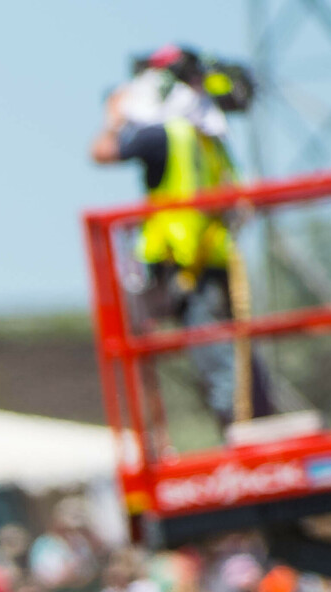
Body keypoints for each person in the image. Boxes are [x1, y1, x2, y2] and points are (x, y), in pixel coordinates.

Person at [90, 45, 272, 429]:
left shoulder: (166, 135)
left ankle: (239, 437)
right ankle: (251, 424)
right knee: (230, 356)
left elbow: (102, 151)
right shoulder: (207, 134)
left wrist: (115, 116)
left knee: (213, 359)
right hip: (212, 257)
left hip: (184, 263)